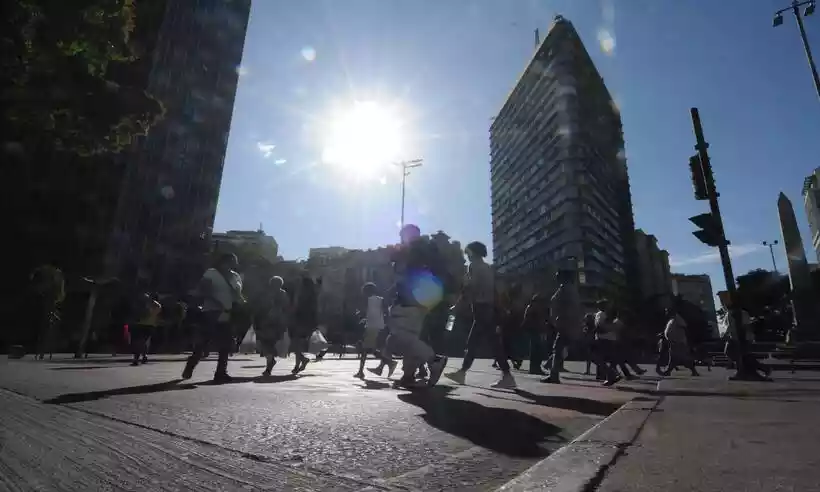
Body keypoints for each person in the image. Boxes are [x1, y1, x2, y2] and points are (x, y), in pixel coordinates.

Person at [383, 224, 448, 389]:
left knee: (401, 336)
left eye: (402, 235)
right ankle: (408, 374)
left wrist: (395, 256)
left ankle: (434, 360)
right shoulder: (426, 251)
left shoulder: (413, 250)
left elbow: (403, 274)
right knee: (411, 338)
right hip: (421, 299)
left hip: (408, 300)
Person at [445, 241, 516, 389]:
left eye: (468, 253)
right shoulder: (487, 268)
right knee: (487, 343)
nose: (467, 256)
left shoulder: (475, 267)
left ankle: (464, 373)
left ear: (473, 252)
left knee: (477, 343)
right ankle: (505, 376)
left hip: (481, 309)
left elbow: (469, 289)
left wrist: (456, 306)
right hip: (487, 308)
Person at [182, 253, 243, 382]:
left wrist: (242, 303)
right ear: (223, 262)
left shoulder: (236, 276)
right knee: (204, 343)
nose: (234, 263)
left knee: (226, 344)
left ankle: (221, 372)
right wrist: (217, 302)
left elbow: (237, 295)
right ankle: (191, 364)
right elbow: (203, 290)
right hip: (211, 312)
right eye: (231, 260)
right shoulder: (211, 273)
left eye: (235, 261)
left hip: (228, 313)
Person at [541, 270, 583, 384]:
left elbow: (566, 306)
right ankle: (551, 370)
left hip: (565, 323)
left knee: (558, 347)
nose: (556, 278)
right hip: (567, 323)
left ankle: (553, 374)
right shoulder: (570, 289)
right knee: (559, 348)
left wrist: (560, 319)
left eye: (558, 276)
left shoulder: (565, 289)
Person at [355, 282, 396, 379]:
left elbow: (363, 312)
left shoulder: (367, 299)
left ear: (367, 291)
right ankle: (361, 371)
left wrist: (360, 315)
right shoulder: (381, 300)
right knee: (369, 348)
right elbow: (385, 312)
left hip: (371, 326)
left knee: (366, 349)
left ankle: (389, 362)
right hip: (379, 326)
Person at [256, 276, 290, 376]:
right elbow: (286, 307)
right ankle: (269, 365)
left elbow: (262, 307)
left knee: (267, 343)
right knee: (268, 343)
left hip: (270, 322)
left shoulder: (269, 294)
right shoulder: (283, 294)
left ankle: (270, 364)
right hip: (275, 322)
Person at [291, 275, 319, 374]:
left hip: (302, 321)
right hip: (305, 322)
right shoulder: (312, 295)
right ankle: (299, 362)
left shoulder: (303, 295)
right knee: (297, 344)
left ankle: (299, 362)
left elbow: (296, 308)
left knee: (296, 344)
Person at [662, 308, 699, 377]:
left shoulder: (677, 318)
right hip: (673, 343)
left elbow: (685, 327)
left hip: (679, 343)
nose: (666, 313)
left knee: (683, 358)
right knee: (673, 358)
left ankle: (694, 371)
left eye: (667, 311)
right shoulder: (671, 319)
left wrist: (684, 339)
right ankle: (668, 371)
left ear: (672, 311)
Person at [131, 293, 162, 366]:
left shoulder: (153, 305)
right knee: (142, 342)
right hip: (144, 325)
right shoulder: (153, 305)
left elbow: (148, 314)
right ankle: (143, 356)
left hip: (147, 325)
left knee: (140, 342)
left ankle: (137, 358)